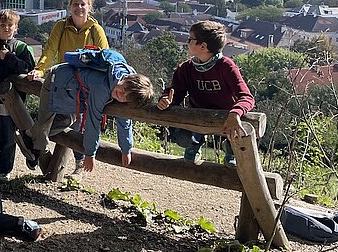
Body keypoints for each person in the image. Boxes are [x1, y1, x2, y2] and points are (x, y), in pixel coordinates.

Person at [24, 50, 154, 174]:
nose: (121, 94)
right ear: (127, 78)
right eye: (124, 89)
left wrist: (126, 149)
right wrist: (90, 154)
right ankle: (35, 149)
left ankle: (30, 135)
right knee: (44, 125)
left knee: (67, 121)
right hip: (56, 80)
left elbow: (124, 119)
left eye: (125, 97)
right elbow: (93, 121)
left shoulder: (127, 76)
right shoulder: (102, 87)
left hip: (70, 91)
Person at [26, 0, 108, 173]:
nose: (79, 7)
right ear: (70, 7)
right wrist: (40, 69)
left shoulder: (95, 30)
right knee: (52, 118)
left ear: (89, 7)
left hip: (84, 84)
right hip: (63, 82)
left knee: (76, 123)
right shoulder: (61, 27)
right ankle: (38, 146)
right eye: (75, 4)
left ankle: (34, 141)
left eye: (83, 4)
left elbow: (105, 57)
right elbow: (50, 50)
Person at [156, 20, 255, 166]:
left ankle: (231, 148)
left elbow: (247, 97)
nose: (187, 42)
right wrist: (166, 99)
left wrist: (235, 113)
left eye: (190, 39)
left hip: (226, 119)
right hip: (197, 117)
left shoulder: (226, 66)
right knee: (184, 141)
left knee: (232, 162)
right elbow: (174, 92)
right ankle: (194, 143)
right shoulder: (186, 68)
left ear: (203, 46)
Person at [0, 10, 35, 181]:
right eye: (2, 25)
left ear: (16, 27)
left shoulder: (22, 48)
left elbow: (26, 68)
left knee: (9, 140)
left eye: (10, 25)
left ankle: (4, 170)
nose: (6, 28)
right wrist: (7, 73)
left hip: (13, 103)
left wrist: (9, 57)